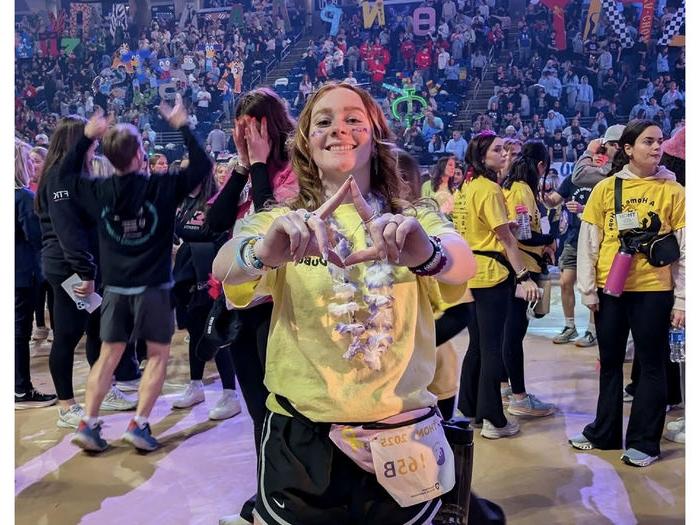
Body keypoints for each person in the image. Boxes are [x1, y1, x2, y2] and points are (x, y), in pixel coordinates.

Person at [213, 82, 475, 524]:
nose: (340, 129)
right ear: (306, 144)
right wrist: (261, 253)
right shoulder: (284, 219)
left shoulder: (412, 216)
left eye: (354, 119)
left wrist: (427, 254)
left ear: (375, 136)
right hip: (303, 439)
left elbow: (460, 261)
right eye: (324, 121)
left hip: (400, 433)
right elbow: (226, 266)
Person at [68, 95, 211, 453]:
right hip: (155, 289)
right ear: (139, 154)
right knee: (158, 355)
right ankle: (140, 425)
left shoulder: (98, 191)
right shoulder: (161, 186)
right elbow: (204, 165)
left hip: (115, 289)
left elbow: (64, 175)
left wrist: (87, 136)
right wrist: (181, 124)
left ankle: (89, 422)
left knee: (108, 356)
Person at [206, 88, 298, 525]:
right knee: (259, 412)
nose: (244, 137)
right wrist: (244, 167)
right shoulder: (249, 172)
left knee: (279, 412)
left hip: (279, 307)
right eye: (239, 131)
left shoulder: (297, 171)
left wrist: (260, 165)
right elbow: (213, 223)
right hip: (242, 307)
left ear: (271, 126)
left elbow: (271, 224)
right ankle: (267, 495)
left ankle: (274, 499)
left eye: (253, 129)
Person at [569, 120, 685, 467]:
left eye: (660, 141)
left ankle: (644, 443)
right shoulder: (605, 189)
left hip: (654, 291)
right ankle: (602, 432)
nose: (656, 147)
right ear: (628, 148)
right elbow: (589, 241)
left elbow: (687, 249)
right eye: (648, 141)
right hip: (611, 290)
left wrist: (682, 300)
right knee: (610, 364)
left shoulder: (674, 192)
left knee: (652, 367)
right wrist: (588, 292)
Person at [35, 116, 138, 430]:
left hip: (86, 269)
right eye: (91, 144)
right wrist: (85, 272)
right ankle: (66, 405)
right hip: (71, 272)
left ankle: (103, 389)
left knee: (97, 329)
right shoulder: (59, 178)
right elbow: (69, 233)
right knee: (67, 335)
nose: (94, 150)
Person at [453, 132, 540, 439]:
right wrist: (523, 276)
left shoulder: (466, 187)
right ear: (481, 155)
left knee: (477, 345)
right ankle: (494, 419)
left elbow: (486, 227)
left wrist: (506, 226)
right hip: (491, 273)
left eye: (505, 149)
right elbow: (505, 240)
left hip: (470, 271)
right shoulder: (490, 189)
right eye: (498, 150)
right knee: (492, 348)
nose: (505, 154)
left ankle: (470, 409)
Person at [171, 164, 241, 421]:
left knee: (216, 332)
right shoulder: (184, 203)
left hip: (210, 277)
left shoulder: (215, 201)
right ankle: (195, 384)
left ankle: (230, 394)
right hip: (186, 277)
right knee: (195, 331)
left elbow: (220, 237)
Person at [499, 141, 557, 417]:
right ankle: (520, 397)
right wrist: (550, 239)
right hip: (519, 269)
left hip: (517, 265)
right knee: (514, 329)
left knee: (509, 328)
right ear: (541, 166)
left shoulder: (514, 187)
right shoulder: (521, 190)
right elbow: (523, 235)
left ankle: (504, 386)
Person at [15, 140, 58, 409]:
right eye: (28, 160)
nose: (33, 164)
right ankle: (21, 389)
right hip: (24, 273)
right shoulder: (23, 197)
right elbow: (37, 238)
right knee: (20, 331)